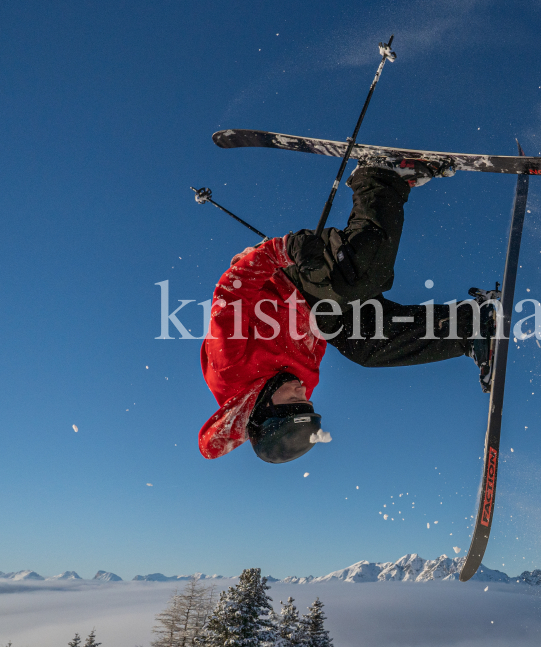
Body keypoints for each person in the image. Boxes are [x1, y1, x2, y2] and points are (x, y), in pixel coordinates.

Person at [198, 158, 495, 463]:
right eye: (306, 403)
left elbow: (229, 293)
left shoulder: (229, 368)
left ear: (266, 408)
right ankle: (469, 327)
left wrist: (280, 250)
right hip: (321, 316)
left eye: (294, 400)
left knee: (355, 279)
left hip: (290, 283)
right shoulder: (299, 386)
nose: (303, 391)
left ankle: (379, 175)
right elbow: (320, 340)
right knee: (367, 348)